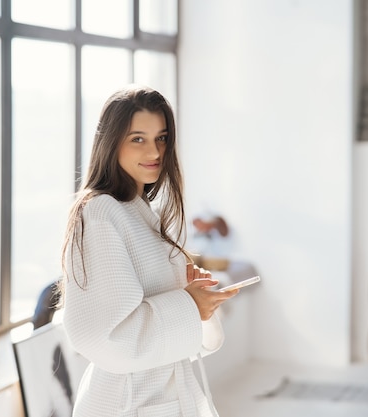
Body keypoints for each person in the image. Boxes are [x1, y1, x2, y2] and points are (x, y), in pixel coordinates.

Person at [61, 85, 238, 417]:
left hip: (161, 396)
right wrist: (188, 305)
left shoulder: (141, 211)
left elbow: (165, 318)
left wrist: (192, 296)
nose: (155, 151)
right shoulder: (100, 213)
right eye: (138, 139)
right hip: (127, 403)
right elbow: (103, 335)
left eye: (162, 137)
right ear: (111, 143)